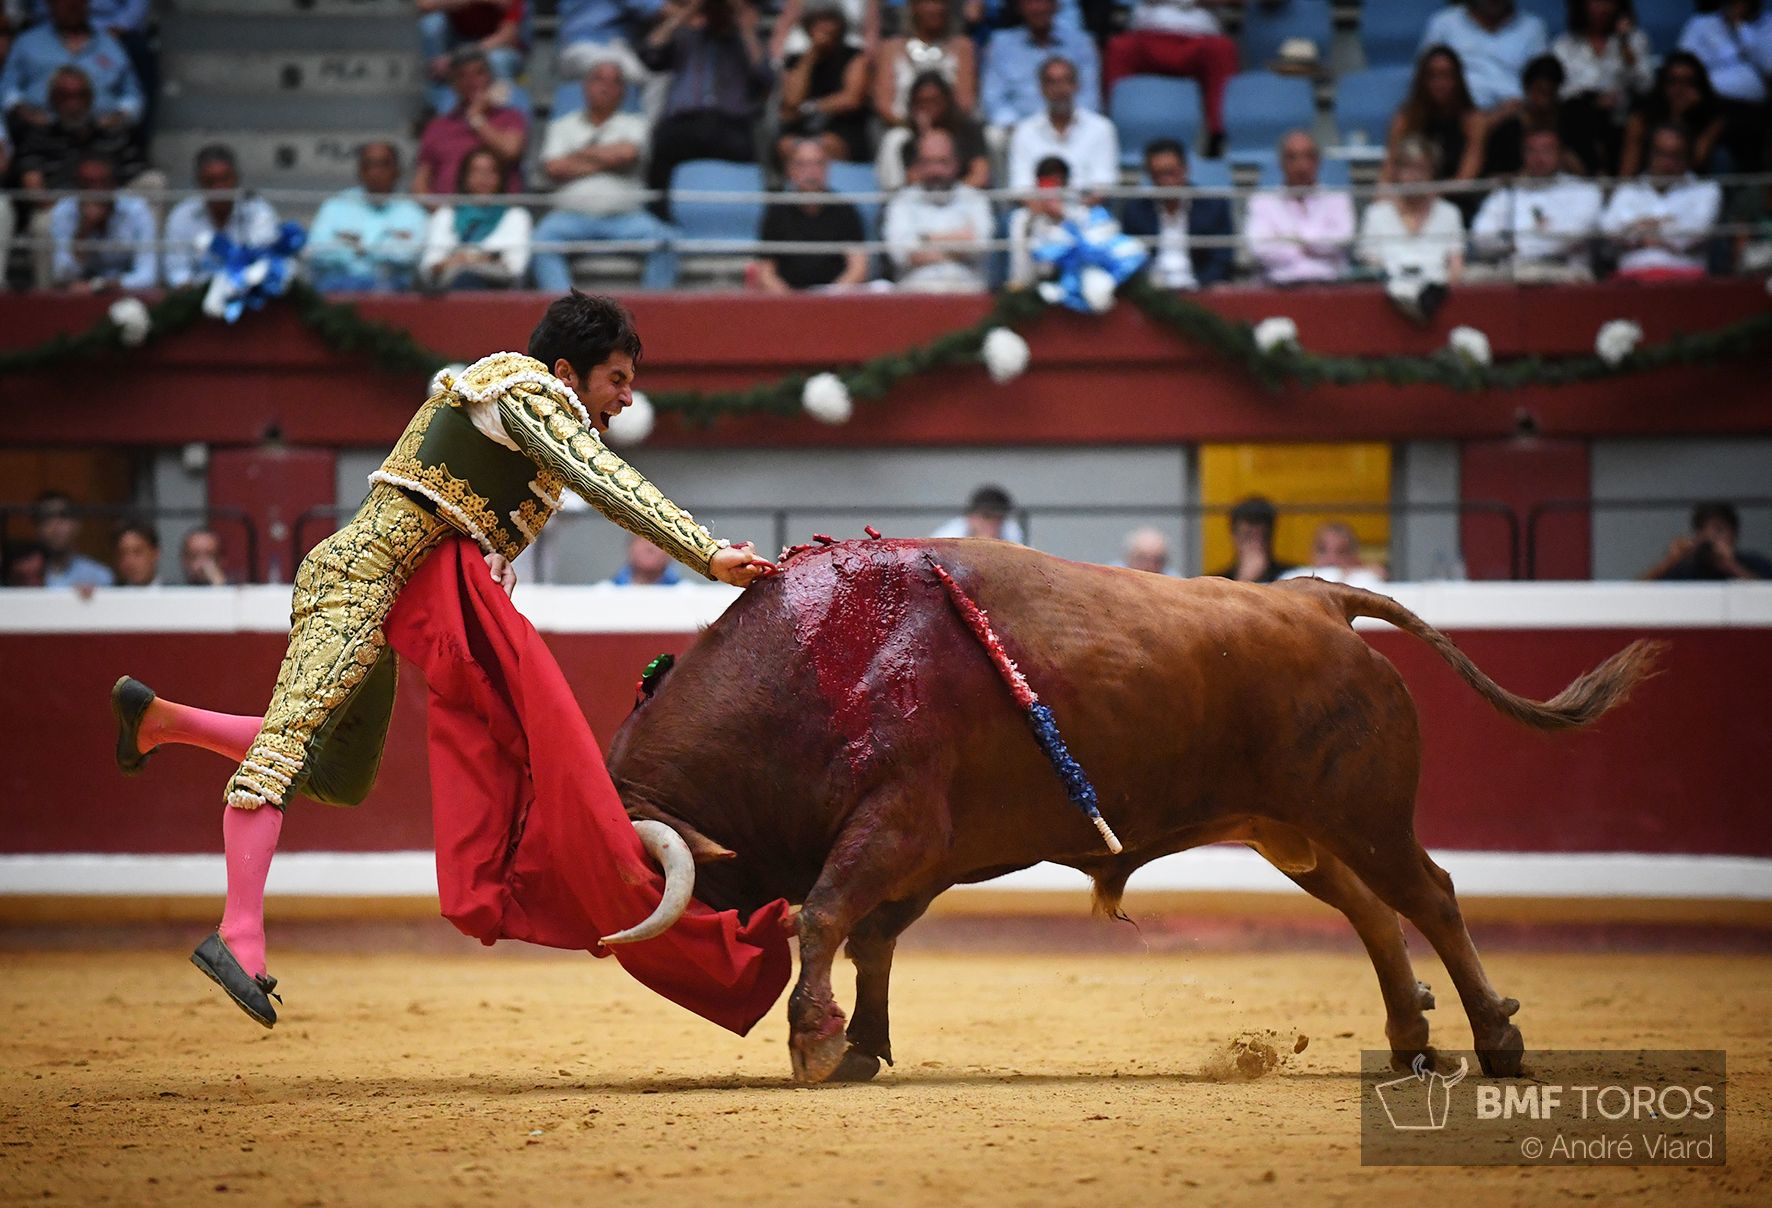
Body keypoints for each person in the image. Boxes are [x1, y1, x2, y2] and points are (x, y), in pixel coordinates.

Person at [108, 293, 774, 1028]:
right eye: (616, 379)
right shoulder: (521, 391)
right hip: (355, 581)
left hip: (387, 593)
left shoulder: (518, 416)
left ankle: (162, 723)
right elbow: (602, 478)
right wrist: (706, 552)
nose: (626, 396)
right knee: (282, 756)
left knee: (339, 776)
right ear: (566, 372)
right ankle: (238, 933)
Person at [530, 58, 679, 292]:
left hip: (626, 219)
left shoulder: (637, 124)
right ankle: (566, 310)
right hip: (570, 218)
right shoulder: (561, 126)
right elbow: (554, 168)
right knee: (540, 240)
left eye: (614, 82)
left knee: (667, 241)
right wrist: (607, 158)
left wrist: (576, 156)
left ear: (623, 91)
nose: (605, 87)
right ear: (585, 86)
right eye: (598, 80)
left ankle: (654, 310)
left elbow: (627, 154)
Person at [639, 0, 774, 219]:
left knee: (755, 158)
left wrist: (745, 25)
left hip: (730, 126)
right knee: (660, 154)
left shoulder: (746, 43)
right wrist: (691, 8)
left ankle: (749, 221)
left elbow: (765, 77)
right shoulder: (687, 38)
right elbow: (649, 53)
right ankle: (659, 224)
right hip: (683, 123)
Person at [1102, 0, 1239, 159]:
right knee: (1119, 47)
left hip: (1199, 37)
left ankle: (1218, 135)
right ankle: (1112, 130)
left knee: (1222, 49)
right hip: (1148, 34)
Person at [1469, 125, 1604, 281]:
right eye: (1531, 151)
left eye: (1547, 150)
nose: (1539, 158)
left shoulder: (1585, 191)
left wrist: (1516, 244)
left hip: (1565, 272)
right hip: (1513, 272)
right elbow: (1480, 236)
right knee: (1472, 276)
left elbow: (1572, 237)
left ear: (1561, 154)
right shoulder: (1506, 193)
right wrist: (1531, 239)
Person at [1599, 122, 1722, 280]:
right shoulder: (1628, 190)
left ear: (1688, 156)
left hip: (1686, 281)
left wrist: (1638, 230)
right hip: (1631, 280)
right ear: (1649, 154)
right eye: (1661, 154)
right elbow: (1609, 229)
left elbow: (1692, 234)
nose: (1667, 163)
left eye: (1676, 155)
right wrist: (1669, 226)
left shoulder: (1706, 190)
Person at [304, 142, 431, 293]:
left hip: (392, 292)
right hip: (338, 288)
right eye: (368, 165)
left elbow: (409, 256)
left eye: (383, 165)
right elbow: (316, 250)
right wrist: (381, 246)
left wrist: (356, 245)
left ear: (397, 171)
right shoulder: (336, 205)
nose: (375, 172)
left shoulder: (413, 211)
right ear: (359, 171)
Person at [0, 0, 143, 132]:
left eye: (78, 1)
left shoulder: (110, 45)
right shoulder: (27, 43)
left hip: (102, 136)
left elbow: (133, 96)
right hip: (38, 136)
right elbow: (6, 88)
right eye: (65, 1)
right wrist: (23, 112)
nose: (72, 6)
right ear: (50, 4)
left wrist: (119, 117)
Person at [882, 126, 994, 292]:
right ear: (917, 165)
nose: (935, 171)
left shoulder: (975, 199)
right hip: (915, 291)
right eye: (927, 162)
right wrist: (959, 241)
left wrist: (924, 238)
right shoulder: (902, 201)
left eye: (942, 162)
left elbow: (980, 247)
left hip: (967, 290)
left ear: (956, 163)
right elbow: (902, 255)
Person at [1357, 136, 1465, 306]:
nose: (1415, 176)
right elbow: (1370, 263)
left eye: (1422, 169)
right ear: (1397, 172)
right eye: (1408, 168)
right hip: (1387, 297)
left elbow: (1456, 264)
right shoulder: (1376, 213)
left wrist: (1443, 297)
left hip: (1439, 296)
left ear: (1433, 173)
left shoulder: (1449, 213)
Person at [752, 137, 869, 291]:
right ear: (789, 170)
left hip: (835, 297)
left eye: (818, 163)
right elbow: (765, 271)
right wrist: (789, 298)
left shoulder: (844, 209)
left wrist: (831, 295)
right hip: (787, 298)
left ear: (828, 169)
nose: (811, 172)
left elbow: (858, 267)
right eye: (802, 164)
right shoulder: (776, 211)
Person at [1552, 0, 1656, 171]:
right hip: (1579, 117)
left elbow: (1645, 85)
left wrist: (1624, 44)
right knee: (1575, 114)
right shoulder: (1565, 44)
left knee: (1637, 119)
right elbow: (1560, 91)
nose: (1602, 8)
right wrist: (1594, 99)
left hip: (1621, 117)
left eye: (1608, 2)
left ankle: (1623, 183)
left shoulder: (1635, 40)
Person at [1118, 136, 1233, 290]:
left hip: (1201, 288)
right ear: (1149, 175)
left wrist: (1201, 286)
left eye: (1170, 172)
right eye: (1158, 174)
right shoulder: (1135, 210)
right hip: (1153, 292)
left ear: (1185, 169)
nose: (1166, 181)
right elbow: (1129, 257)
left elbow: (1222, 258)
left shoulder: (1213, 206)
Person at [1243, 130, 1355, 285]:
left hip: (1330, 286)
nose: (1301, 166)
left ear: (1318, 161)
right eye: (1292, 157)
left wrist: (1292, 240)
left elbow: (1342, 239)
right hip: (1278, 288)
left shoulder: (1337, 199)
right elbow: (1259, 248)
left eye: (1308, 156)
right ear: (1281, 163)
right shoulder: (1262, 202)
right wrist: (1315, 245)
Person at [411, 48, 528, 198]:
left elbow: (511, 152)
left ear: (490, 77)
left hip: (500, 210)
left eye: (478, 73)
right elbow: (420, 183)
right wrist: (440, 209)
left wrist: (476, 118)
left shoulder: (511, 118)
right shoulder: (437, 127)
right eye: (462, 75)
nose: (471, 81)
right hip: (447, 209)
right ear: (453, 83)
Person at [161, 144, 281, 289]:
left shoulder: (259, 212)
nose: (219, 188)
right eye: (210, 181)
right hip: (197, 294)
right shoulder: (182, 215)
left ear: (236, 178)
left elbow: (265, 263)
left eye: (225, 179)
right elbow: (177, 272)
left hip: (248, 293)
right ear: (199, 183)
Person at [10, 65, 143, 194]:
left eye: (81, 95)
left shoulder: (115, 135)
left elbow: (134, 179)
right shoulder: (37, 138)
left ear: (91, 98)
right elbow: (35, 192)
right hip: (56, 205)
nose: (74, 104)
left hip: (113, 203)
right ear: (52, 99)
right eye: (64, 96)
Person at [420, 146, 534, 290]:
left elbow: (515, 267)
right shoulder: (445, 214)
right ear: (464, 177)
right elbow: (430, 265)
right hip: (449, 286)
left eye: (490, 171)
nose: (483, 178)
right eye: (476, 171)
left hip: (496, 289)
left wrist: (468, 260)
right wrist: (472, 260)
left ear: (501, 177)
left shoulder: (516, 216)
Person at [1677, 0, 1772, 171]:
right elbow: (1684, 62)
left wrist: (1740, 28)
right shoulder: (1701, 24)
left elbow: (1768, 66)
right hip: (1711, 102)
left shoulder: (1768, 25)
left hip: (1758, 107)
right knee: (1718, 120)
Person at [774, 3, 872, 165]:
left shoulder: (854, 56)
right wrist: (810, 57)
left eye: (829, 20)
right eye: (818, 21)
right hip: (803, 130)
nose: (824, 27)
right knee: (786, 145)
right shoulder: (796, 61)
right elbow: (791, 101)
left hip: (842, 130)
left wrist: (810, 107)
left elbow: (851, 99)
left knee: (825, 144)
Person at [980, 0, 1100, 133]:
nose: (1038, 8)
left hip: (1072, 129)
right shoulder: (1001, 44)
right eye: (1030, 2)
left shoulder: (1082, 43)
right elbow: (993, 99)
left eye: (1044, 1)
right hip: (1016, 130)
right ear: (1019, 7)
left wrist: (1064, 128)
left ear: (1056, 5)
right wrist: (1023, 130)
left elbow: (1089, 99)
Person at [1005, 55, 1119, 194]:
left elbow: (1104, 184)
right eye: (1052, 82)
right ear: (1041, 88)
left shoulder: (1101, 128)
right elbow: (1021, 187)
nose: (1059, 89)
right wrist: (1050, 206)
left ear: (1077, 86)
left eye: (1066, 81)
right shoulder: (1024, 131)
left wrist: (1071, 207)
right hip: (1039, 205)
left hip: (1087, 206)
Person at [45, 154, 156, 290]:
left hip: (124, 290)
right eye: (87, 184)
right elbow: (63, 275)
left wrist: (99, 285)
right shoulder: (63, 212)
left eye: (103, 183)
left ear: (114, 185)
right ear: (76, 187)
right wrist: (84, 230)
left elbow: (147, 276)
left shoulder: (137, 210)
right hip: (81, 291)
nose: (95, 191)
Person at [1418, 0, 1549, 112]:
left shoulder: (1533, 28)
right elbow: (1423, 79)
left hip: (1516, 116)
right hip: (1455, 113)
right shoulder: (1444, 24)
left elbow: (1542, 84)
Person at [1385, 45, 1487, 189]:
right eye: (1432, 76)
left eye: (1446, 76)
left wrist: (1431, 197)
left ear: (1458, 79)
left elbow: (1466, 179)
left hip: (1457, 196)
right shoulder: (1406, 119)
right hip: (1412, 194)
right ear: (1422, 80)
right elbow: (1389, 169)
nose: (1440, 84)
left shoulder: (1474, 121)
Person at [875, 70, 990, 192]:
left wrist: (952, 195)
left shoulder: (969, 131)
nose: (929, 107)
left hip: (967, 198)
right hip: (924, 200)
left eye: (934, 101)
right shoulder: (910, 141)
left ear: (947, 100)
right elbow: (913, 181)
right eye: (922, 102)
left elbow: (980, 176)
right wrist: (926, 137)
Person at [1620, 50, 1727, 176]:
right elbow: (1628, 170)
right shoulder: (1642, 117)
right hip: (1647, 183)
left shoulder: (1713, 117)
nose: (1680, 89)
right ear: (1663, 83)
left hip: (1693, 184)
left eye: (1688, 82)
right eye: (1673, 81)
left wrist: (1680, 114)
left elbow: (1696, 161)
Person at [1481, 54, 1591, 175]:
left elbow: (1586, 171)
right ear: (1526, 89)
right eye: (1539, 91)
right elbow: (1497, 174)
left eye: (1549, 93)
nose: (1544, 101)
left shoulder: (1571, 123)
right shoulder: (1509, 126)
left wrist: (1559, 156)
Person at [874, 0, 976, 129]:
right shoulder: (891, 48)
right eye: (926, 3)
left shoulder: (963, 47)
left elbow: (965, 101)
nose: (933, 9)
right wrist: (915, 127)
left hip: (951, 130)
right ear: (913, 6)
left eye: (938, 3)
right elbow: (884, 104)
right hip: (901, 128)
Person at [418, 0, 527, 114]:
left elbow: (507, 36)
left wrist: (457, 57)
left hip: (498, 48)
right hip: (456, 40)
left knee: (497, 60)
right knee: (431, 23)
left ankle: (506, 112)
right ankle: (438, 88)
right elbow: (424, 5)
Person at [1006, 154, 1087, 286]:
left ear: (1065, 184)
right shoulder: (1023, 217)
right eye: (1047, 183)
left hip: (1071, 280)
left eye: (1057, 183)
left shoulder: (1078, 212)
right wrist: (1034, 218)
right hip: (1033, 280)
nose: (1052, 190)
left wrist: (1062, 216)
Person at [1642, 501, 1772, 580]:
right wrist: (1670, 561)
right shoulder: (1686, 569)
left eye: (1719, 530)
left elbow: (1766, 594)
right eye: (1701, 530)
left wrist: (1732, 567)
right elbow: (1637, 592)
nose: (1710, 537)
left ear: (1734, 533)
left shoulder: (1751, 562)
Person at [33, 490, 114, 588]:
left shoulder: (98, 576)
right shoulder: (26, 575)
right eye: (47, 518)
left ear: (77, 524)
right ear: (37, 527)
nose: (55, 525)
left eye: (63, 516)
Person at [1278, 522, 1387, 590]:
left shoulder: (1366, 579)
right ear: (1311, 553)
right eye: (1322, 550)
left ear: (1354, 557)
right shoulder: (1292, 579)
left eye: (1341, 552)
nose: (1331, 559)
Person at [1211, 495, 1295, 583]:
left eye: (1262, 537)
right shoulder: (1217, 581)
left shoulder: (1291, 576)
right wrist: (1246, 577)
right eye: (1247, 536)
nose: (1255, 544)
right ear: (1234, 536)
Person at [931, 484, 1026, 542]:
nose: (992, 524)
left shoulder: (1012, 533)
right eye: (987, 517)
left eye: (999, 518)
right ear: (970, 517)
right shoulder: (947, 537)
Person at [607, 533, 685, 584]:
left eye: (658, 542)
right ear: (630, 547)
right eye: (642, 539)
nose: (649, 547)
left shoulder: (688, 594)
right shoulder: (603, 594)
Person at [112, 520, 159, 587]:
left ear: (155, 553)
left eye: (137, 552)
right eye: (123, 554)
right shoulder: (106, 591)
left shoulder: (172, 591)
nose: (130, 561)